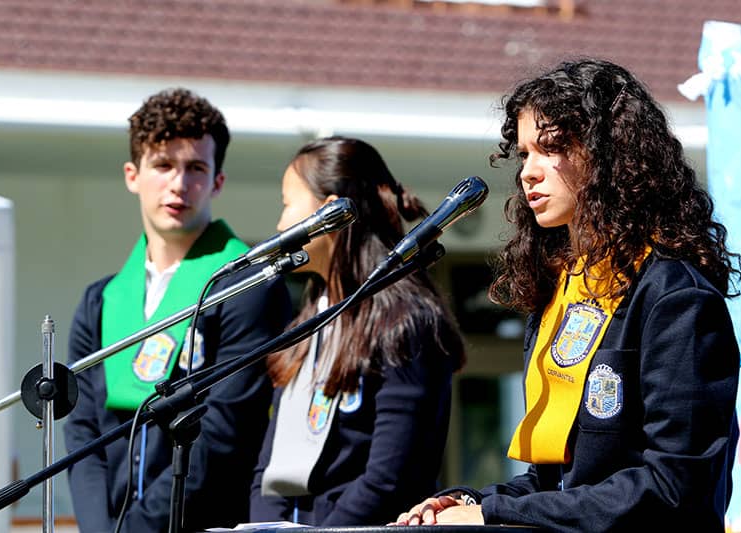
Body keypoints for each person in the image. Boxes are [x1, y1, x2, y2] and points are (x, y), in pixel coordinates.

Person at [394, 58, 741, 531]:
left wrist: (492, 512)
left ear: (610, 153)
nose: (528, 173)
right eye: (523, 154)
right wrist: (464, 501)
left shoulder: (675, 295)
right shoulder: (560, 290)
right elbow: (559, 485)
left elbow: (675, 488)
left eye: (550, 148)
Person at [63, 88, 291, 533]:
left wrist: (136, 530)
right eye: (163, 165)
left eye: (196, 168)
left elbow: (225, 432)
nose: (179, 185)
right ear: (132, 174)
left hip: (207, 524)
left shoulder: (245, 285)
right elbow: (83, 432)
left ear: (218, 182)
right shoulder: (101, 299)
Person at [248, 136, 465, 526]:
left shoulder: (406, 320)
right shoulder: (306, 324)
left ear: (329, 214)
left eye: (287, 203)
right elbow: (267, 472)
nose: (280, 224)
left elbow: (389, 478)